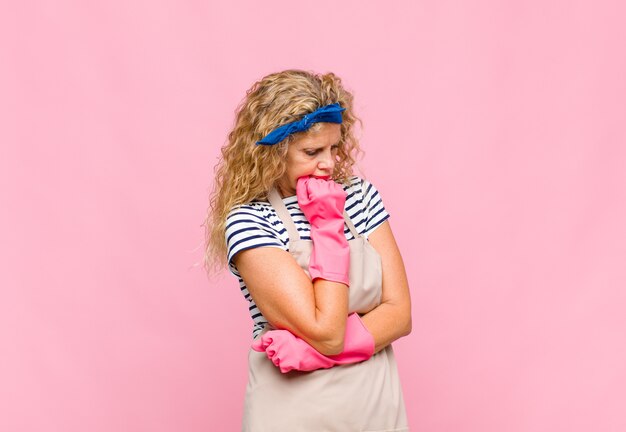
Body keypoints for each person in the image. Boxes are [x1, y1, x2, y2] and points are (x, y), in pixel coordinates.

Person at [203, 69, 412, 431]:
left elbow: (400, 313)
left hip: (374, 409)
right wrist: (327, 225)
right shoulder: (250, 221)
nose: (329, 163)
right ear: (273, 154)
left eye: (334, 147)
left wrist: (312, 354)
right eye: (312, 151)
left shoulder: (360, 195)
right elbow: (326, 328)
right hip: (293, 414)